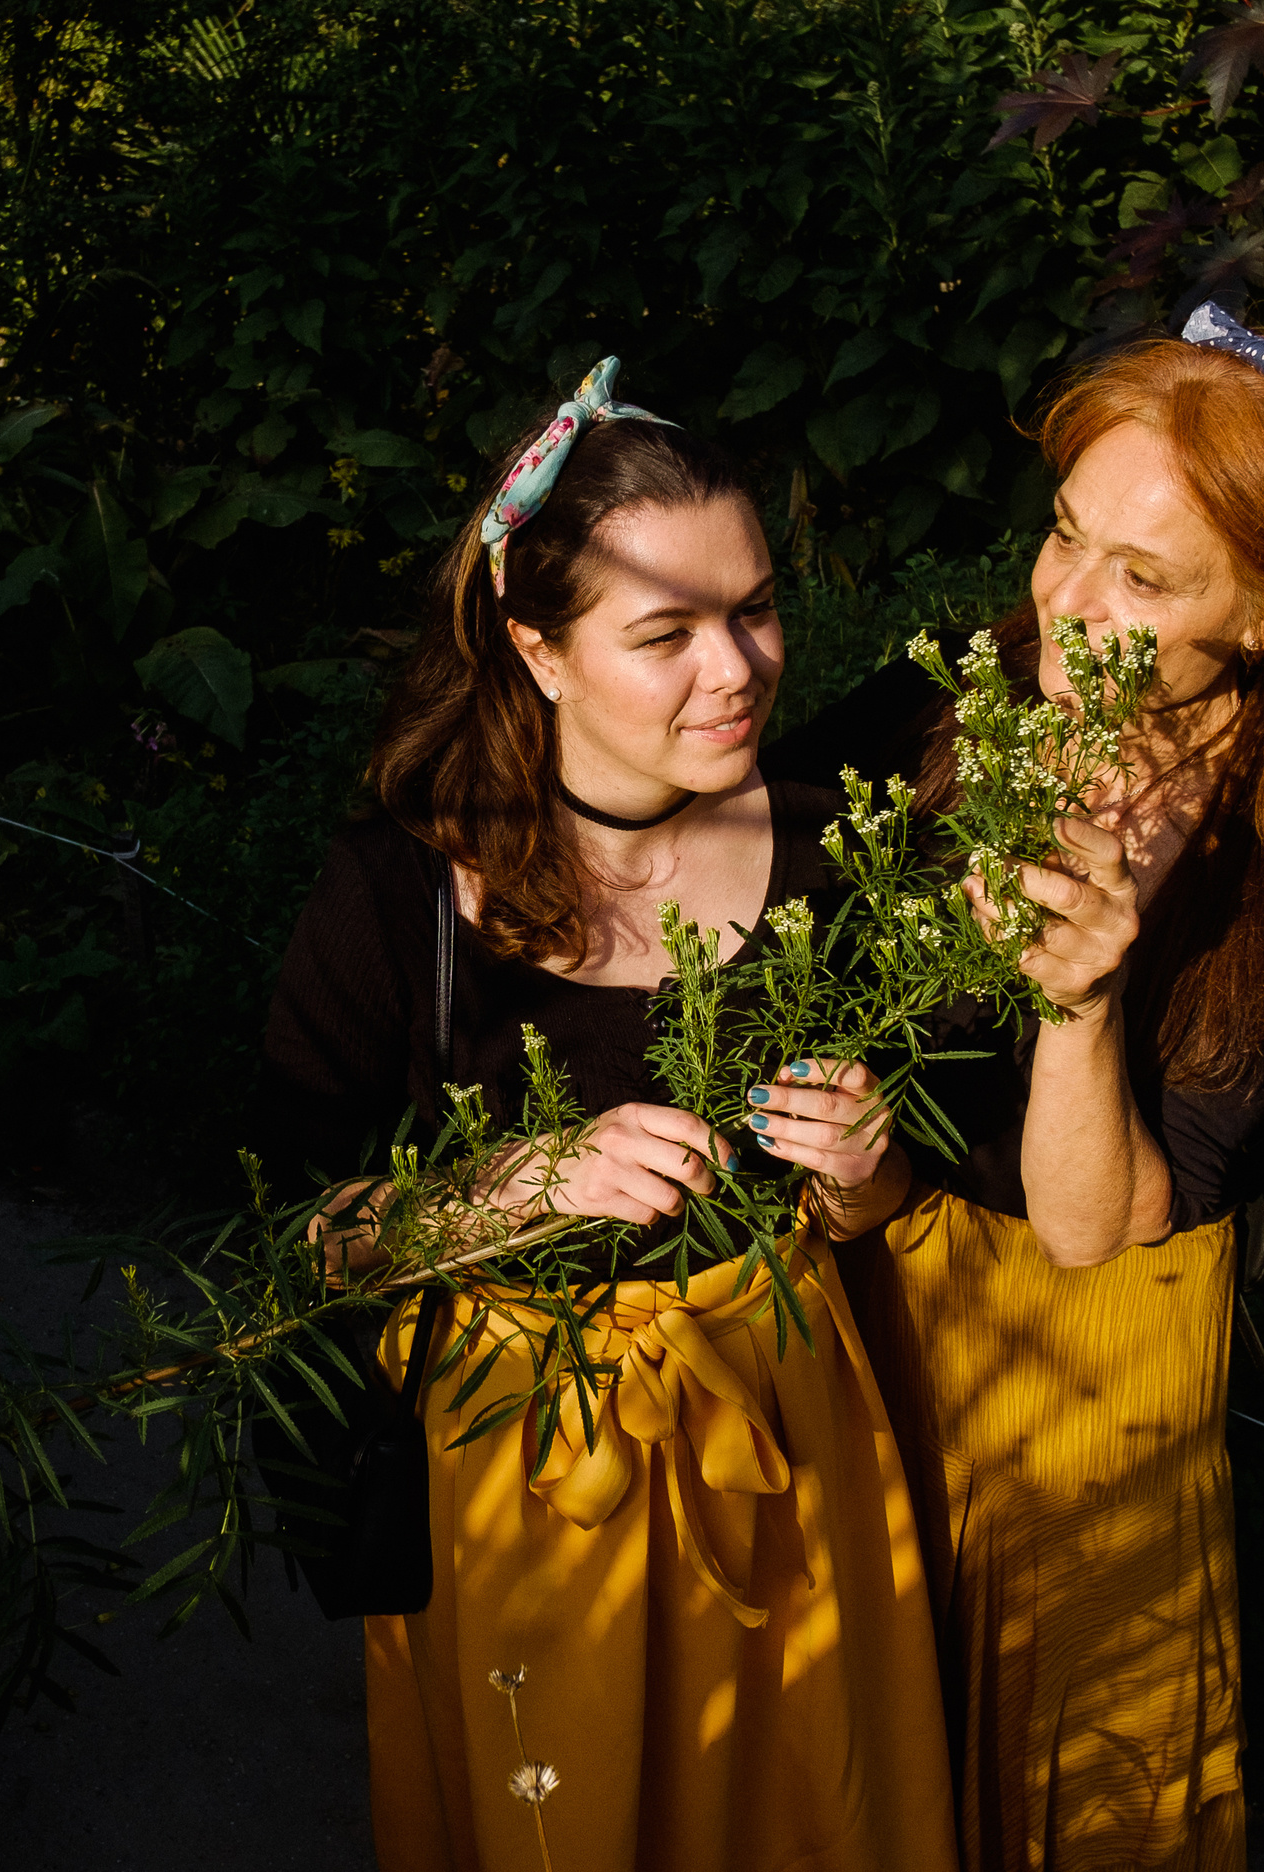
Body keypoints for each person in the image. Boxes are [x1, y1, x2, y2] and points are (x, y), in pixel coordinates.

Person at [766, 306, 1264, 1869]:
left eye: (1145, 582)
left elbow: (1111, 1227)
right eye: (1066, 536)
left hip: (1087, 1390)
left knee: (1064, 1783)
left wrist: (1082, 1002)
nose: (1065, 606)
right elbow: (737, 911)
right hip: (871, 1325)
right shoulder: (953, 708)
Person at [257, 360, 958, 1871]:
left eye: (758, 608)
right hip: (528, 1492)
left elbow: (868, 1220)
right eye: (667, 633)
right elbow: (288, 1246)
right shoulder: (400, 895)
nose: (740, 669)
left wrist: (863, 1175)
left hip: (786, 1455)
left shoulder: (841, 842)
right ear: (539, 650)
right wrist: (519, 1186)